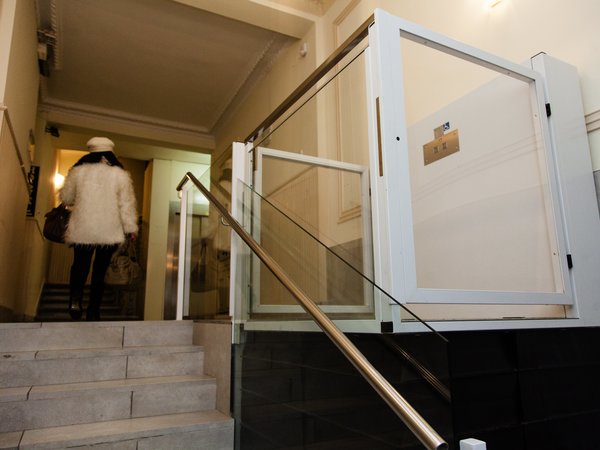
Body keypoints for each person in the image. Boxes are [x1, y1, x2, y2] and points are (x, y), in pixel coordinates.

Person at [60, 137, 138, 320]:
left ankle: (75, 300)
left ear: (91, 152)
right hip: (108, 229)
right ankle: (94, 309)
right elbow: (126, 204)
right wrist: (130, 228)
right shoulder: (120, 174)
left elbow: (66, 198)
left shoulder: (78, 171)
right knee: (100, 270)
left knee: (80, 265)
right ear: (110, 152)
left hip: (83, 227)